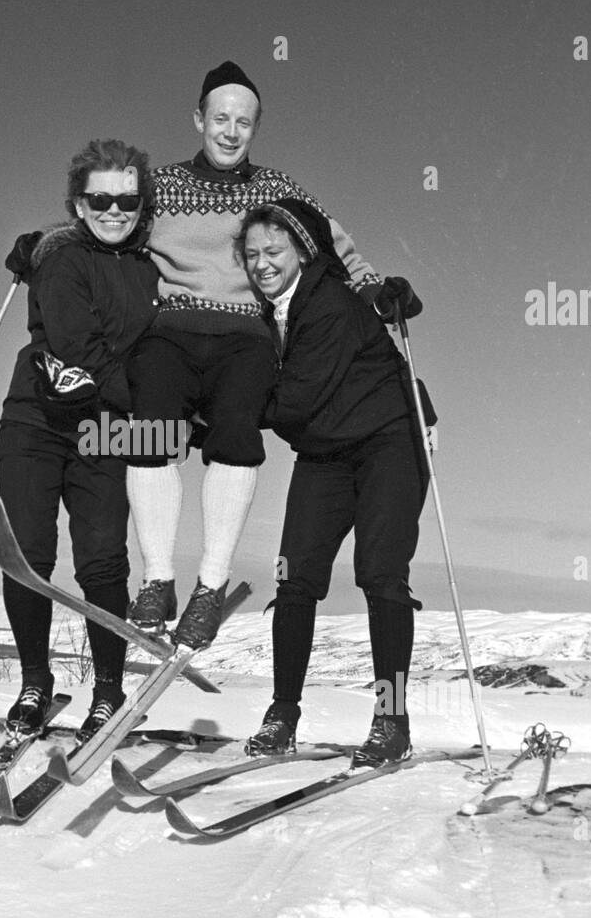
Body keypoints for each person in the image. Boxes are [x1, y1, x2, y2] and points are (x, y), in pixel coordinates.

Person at [125, 60, 421, 650]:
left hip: (245, 336)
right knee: (151, 432)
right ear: (199, 120)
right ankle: (158, 579)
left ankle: (209, 588)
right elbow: (101, 220)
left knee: (236, 433)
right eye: (220, 119)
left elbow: (333, 241)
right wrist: (51, 246)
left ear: (254, 129)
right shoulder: (158, 187)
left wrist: (372, 286)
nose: (231, 132)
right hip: (173, 331)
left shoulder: (277, 190)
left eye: (244, 122)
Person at [234, 198, 435, 768]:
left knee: (381, 575)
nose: (262, 263)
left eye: (273, 251)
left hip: (387, 440)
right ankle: (282, 714)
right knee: (294, 579)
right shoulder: (263, 312)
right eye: (251, 255)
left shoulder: (329, 304)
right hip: (323, 454)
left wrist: (224, 420)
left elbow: (294, 400)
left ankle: (391, 721)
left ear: (300, 250)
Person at [0, 139, 159, 737]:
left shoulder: (151, 269)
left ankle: (108, 693)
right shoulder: (61, 261)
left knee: (103, 562)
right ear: (79, 204)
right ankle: (35, 683)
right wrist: (149, 398)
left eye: (129, 199)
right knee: (29, 558)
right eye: (101, 198)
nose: (115, 210)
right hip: (35, 422)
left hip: (103, 431)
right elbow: (75, 347)